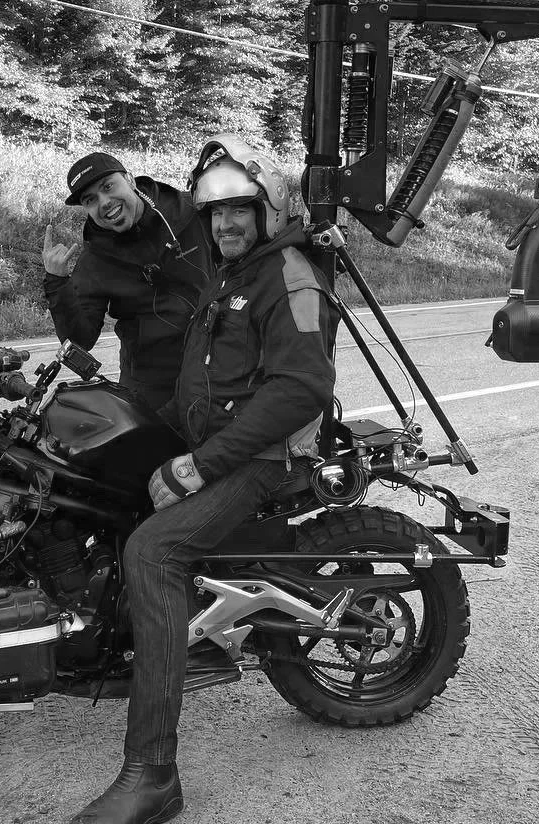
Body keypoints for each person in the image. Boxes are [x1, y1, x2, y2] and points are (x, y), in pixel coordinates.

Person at [70, 136, 338, 824]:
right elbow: (205, 376)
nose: (226, 226)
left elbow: (301, 389)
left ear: (267, 211)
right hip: (215, 441)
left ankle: (152, 775)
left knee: (152, 553)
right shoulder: (232, 271)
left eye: (240, 212)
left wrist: (197, 464)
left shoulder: (289, 279)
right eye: (216, 216)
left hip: (260, 460)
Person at [43, 151, 212, 413]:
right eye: (91, 200)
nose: (105, 202)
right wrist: (57, 282)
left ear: (130, 179)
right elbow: (80, 339)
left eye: (108, 187)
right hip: (151, 382)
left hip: (215, 362)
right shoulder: (94, 260)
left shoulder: (191, 211)